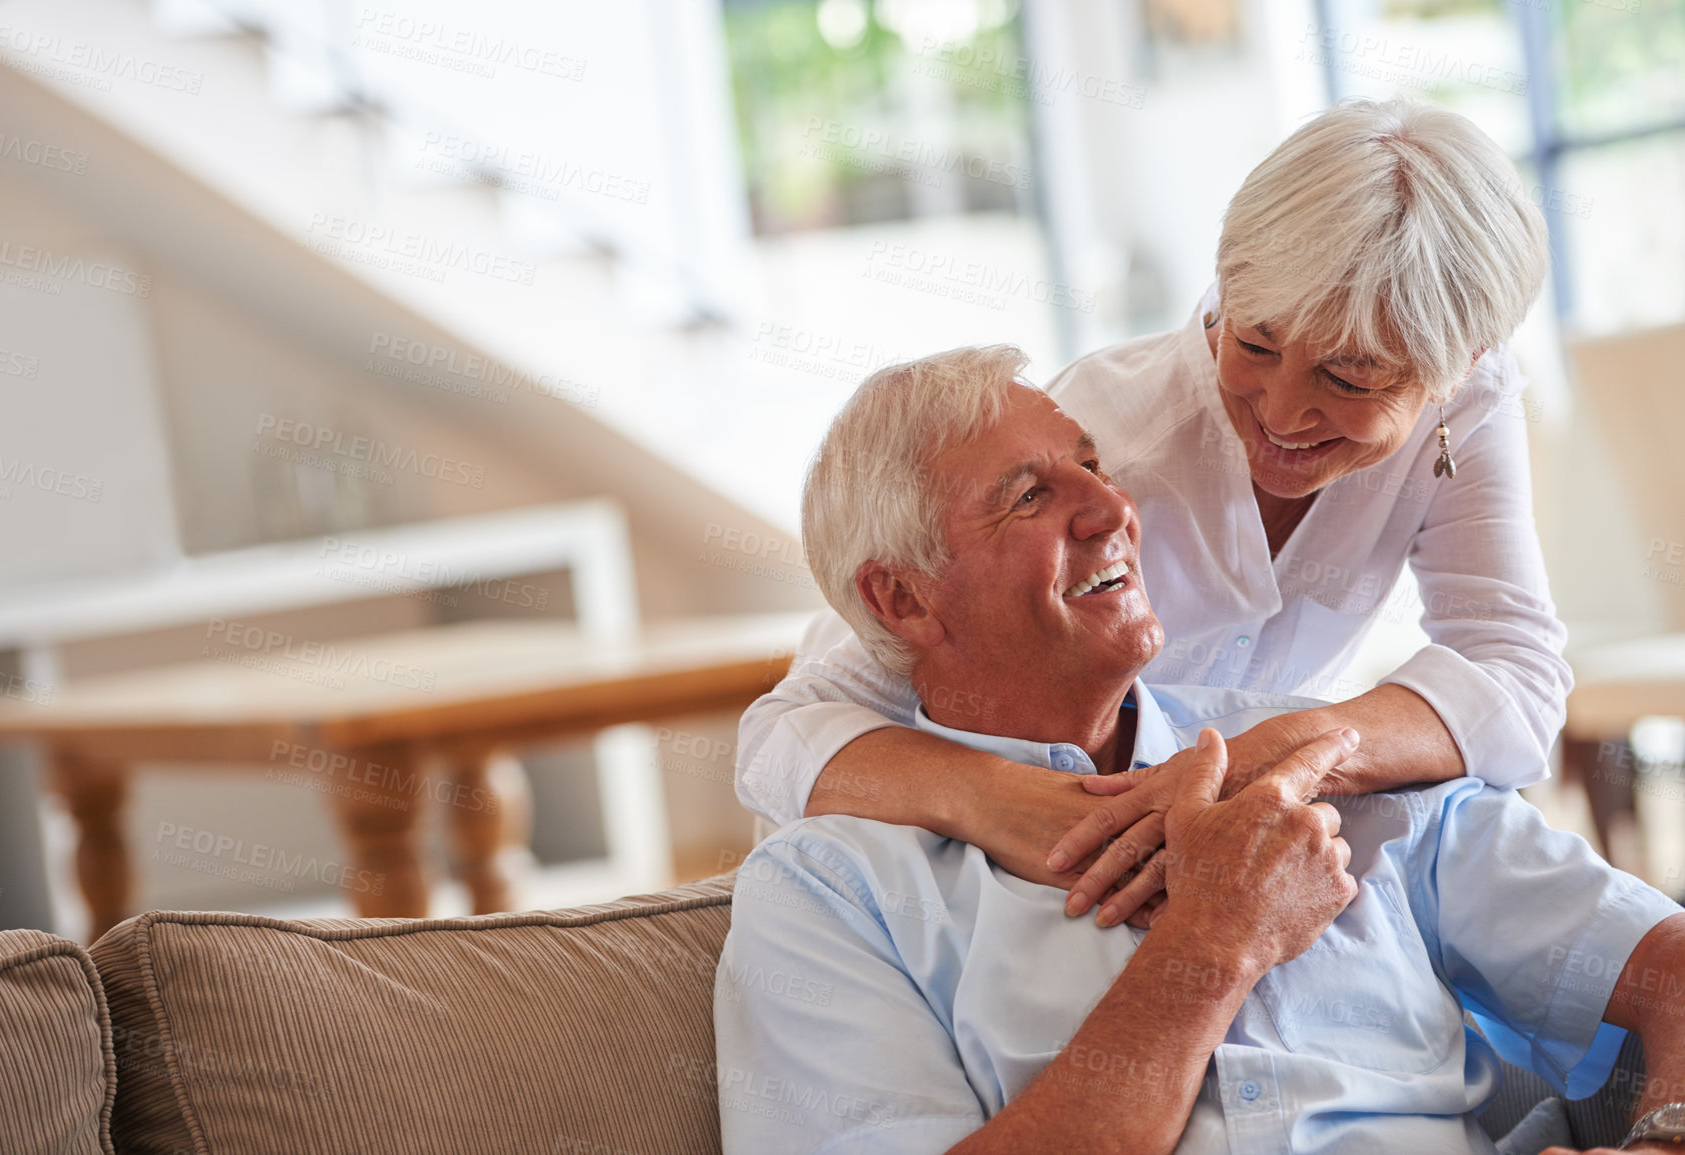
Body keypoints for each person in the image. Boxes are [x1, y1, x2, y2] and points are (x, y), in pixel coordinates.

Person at [713, 351, 1685, 1155]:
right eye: (1027, 496)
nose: (1111, 509)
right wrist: (1215, 943)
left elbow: (1669, 965)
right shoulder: (829, 894)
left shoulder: (1341, 776)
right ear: (903, 601)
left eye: (1093, 465)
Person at [734, 99, 1566, 919]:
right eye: (1253, 344)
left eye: (1348, 379)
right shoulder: (1103, 440)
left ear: (1461, 367)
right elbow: (779, 737)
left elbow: (1517, 675)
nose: (1278, 413)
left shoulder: (1470, 404)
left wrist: (1273, 752)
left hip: (1206, 861)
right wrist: (1009, 805)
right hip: (993, 875)